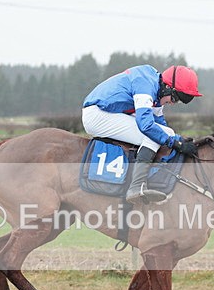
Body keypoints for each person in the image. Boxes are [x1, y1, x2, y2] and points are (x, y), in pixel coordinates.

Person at [81, 64, 201, 204]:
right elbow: (146, 125)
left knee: (166, 133)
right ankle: (136, 187)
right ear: (168, 87)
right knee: (152, 138)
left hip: (108, 112)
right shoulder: (145, 85)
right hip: (97, 115)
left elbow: (161, 126)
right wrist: (174, 143)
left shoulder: (156, 87)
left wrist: (178, 140)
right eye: (174, 98)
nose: (173, 103)